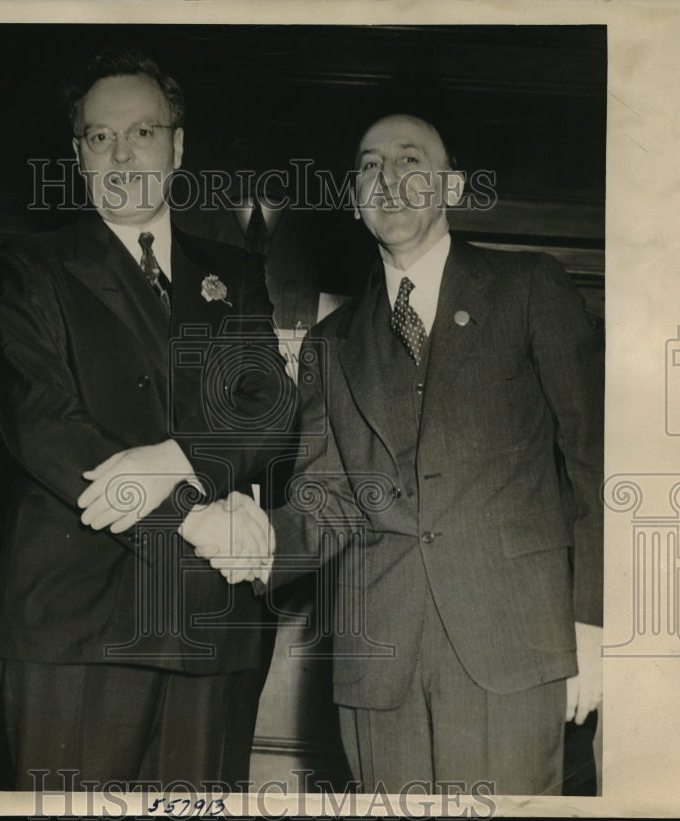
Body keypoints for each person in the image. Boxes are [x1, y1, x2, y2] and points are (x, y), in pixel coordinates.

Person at [199, 113, 604, 795]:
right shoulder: (331, 341)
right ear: (354, 201)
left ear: (452, 185)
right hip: (378, 661)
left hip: (517, 648)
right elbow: (325, 495)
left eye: (412, 160)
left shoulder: (531, 287)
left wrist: (593, 624)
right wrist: (263, 538)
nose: (389, 178)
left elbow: (596, 459)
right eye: (368, 166)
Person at [0, 49, 294, 791]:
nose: (122, 154)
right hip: (81, 629)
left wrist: (173, 458)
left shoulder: (234, 273)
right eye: (99, 137)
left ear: (178, 146)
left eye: (143, 132)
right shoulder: (31, 267)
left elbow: (270, 405)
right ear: (78, 155)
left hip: (214, 628)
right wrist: (196, 518)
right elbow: (45, 425)